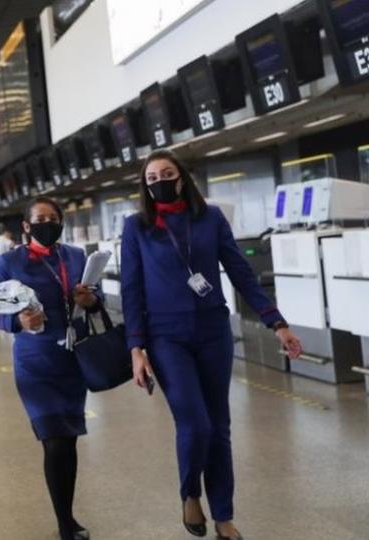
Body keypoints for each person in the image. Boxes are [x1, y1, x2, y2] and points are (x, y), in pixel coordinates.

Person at [120, 150, 303, 540]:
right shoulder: (136, 227)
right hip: (166, 337)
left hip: (212, 332)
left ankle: (223, 515)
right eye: (151, 177)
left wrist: (277, 322)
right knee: (195, 423)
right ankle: (189, 492)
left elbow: (240, 271)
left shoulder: (210, 218)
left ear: (182, 178)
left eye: (166, 173)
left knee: (219, 427)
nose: (159, 181)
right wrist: (136, 349)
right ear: (145, 187)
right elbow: (132, 289)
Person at [0, 197, 101, 540]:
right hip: (36, 363)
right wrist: (16, 319)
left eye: (54, 218)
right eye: (40, 219)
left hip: (72, 359)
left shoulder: (75, 256)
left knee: (70, 438)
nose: (48, 223)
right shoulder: (10, 262)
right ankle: (65, 522)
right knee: (55, 442)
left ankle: (69, 514)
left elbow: (96, 300)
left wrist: (90, 300)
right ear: (27, 226)